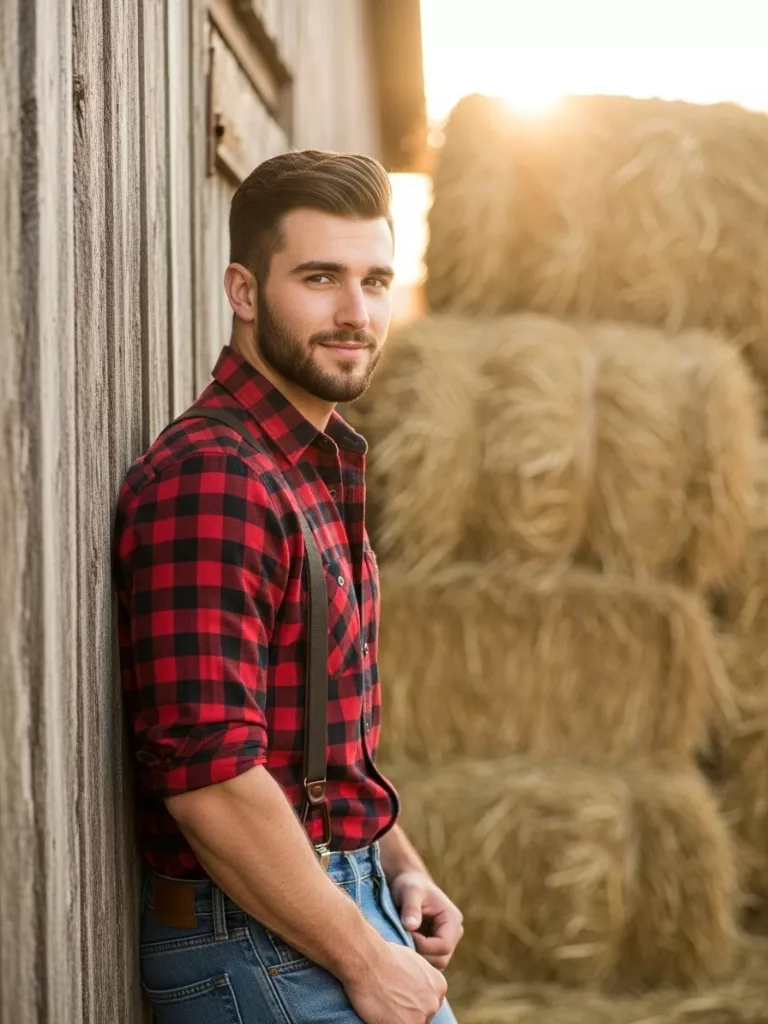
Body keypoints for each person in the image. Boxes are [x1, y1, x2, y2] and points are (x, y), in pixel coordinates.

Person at [114, 150, 462, 1024]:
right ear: (243, 290)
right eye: (320, 278)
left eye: (375, 280)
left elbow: (315, 738)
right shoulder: (216, 478)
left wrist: (399, 867)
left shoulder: (311, 462)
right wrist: (364, 960)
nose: (356, 314)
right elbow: (210, 776)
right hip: (257, 939)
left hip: (333, 908)